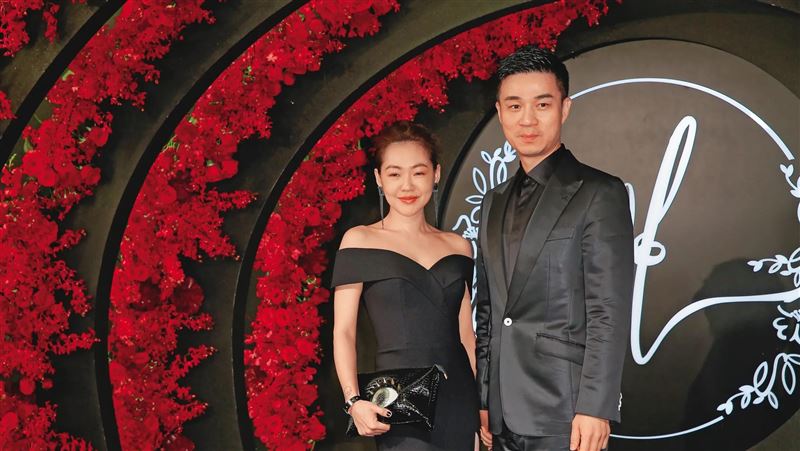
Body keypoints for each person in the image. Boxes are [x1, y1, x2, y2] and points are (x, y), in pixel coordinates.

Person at [474, 46, 634, 451]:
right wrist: (485, 397)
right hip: (501, 415)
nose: (527, 119)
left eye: (542, 104)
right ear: (500, 112)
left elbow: (608, 310)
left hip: (566, 411)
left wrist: (596, 407)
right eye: (515, 106)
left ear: (565, 109)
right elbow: (490, 310)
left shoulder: (599, 193)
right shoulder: (492, 201)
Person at [332, 121, 480, 450]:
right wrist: (353, 401)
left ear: (436, 174)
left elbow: (466, 335)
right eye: (395, 173)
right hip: (398, 400)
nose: (407, 185)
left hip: (459, 398)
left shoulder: (458, 246)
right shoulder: (359, 240)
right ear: (379, 178)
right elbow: (344, 331)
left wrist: (481, 405)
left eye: (419, 172)